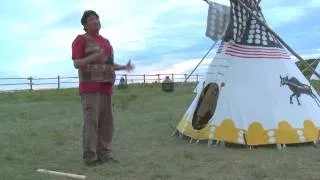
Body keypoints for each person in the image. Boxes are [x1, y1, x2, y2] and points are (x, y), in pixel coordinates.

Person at [71, 10, 134, 166]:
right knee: (91, 123)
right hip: (90, 88)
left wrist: (124, 67)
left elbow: (108, 64)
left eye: (97, 18)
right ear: (85, 25)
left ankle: (104, 154)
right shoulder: (80, 40)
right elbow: (77, 63)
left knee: (107, 124)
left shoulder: (106, 42)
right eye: (91, 19)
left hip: (106, 88)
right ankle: (90, 158)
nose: (96, 21)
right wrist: (94, 56)